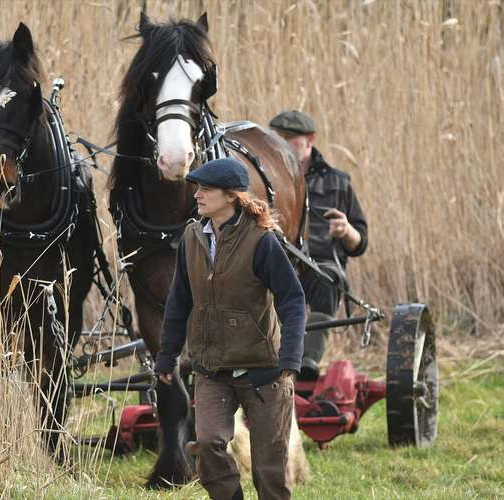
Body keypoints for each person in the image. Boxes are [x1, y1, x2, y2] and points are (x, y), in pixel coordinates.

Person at [154, 157, 306, 500]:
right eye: (197, 188)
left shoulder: (262, 241)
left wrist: (290, 358)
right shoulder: (191, 239)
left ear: (231, 196)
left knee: (270, 470)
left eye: (206, 189)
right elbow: (179, 302)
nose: (197, 195)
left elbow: (293, 299)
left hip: (264, 371)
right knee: (208, 446)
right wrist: (167, 357)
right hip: (212, 369)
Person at [269, 110, 368, 380]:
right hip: (277, 265)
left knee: (326, 280)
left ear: (309, 140)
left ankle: (305, 362)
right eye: (276, 138)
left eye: (289, 138)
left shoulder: (338, 182)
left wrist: (346, 231)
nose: (281, 144)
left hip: (321, 265)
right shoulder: (265, 181)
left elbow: (360, 242)